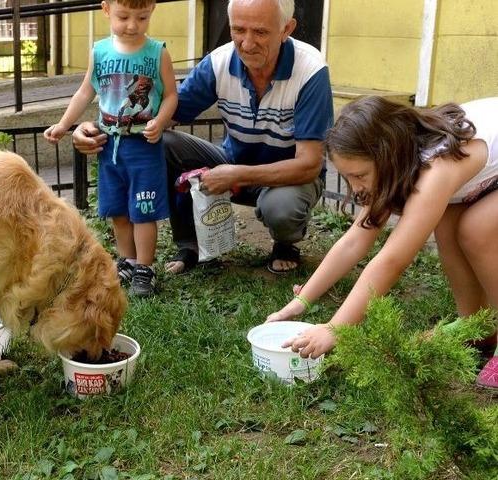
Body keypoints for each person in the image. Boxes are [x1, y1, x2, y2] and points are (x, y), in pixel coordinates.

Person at [73, 0, 334, 275]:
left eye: (260, 32)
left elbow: (309, 164)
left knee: (280, 207)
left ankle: (285, 243)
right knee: (164, 143)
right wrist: (96, 128)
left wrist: (236, 175)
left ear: (286, 29)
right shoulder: (220, 61)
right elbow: (158, 115)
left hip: (289, 179)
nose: (246, 43)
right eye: (238, 30)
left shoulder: (310, 70)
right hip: (231, 162)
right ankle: (189, 245)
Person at [266, 95, 498, 389]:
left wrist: (336, 328)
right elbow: (354, 241)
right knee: (447, 220)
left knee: (477, 228)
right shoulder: (400, 163)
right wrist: (299, 303)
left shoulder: (436, 171)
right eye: (347, 177)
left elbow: (392, 260)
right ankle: (477, 323)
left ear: (387, 155)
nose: (356, 187)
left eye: (359, 175)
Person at [44, 0, 177, 297]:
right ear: (106, 9)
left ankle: (145, 267)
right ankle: (127, 260)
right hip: (110, 147)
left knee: (143, 209)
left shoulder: (158, 53)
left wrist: (161, 119)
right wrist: (64, 124)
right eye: (124, 16)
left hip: (143, 146)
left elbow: (170, 95)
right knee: (118, 210)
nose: (132, 25)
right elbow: (85, 91)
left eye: (141, 17)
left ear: (152, 9)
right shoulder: (99, 51)